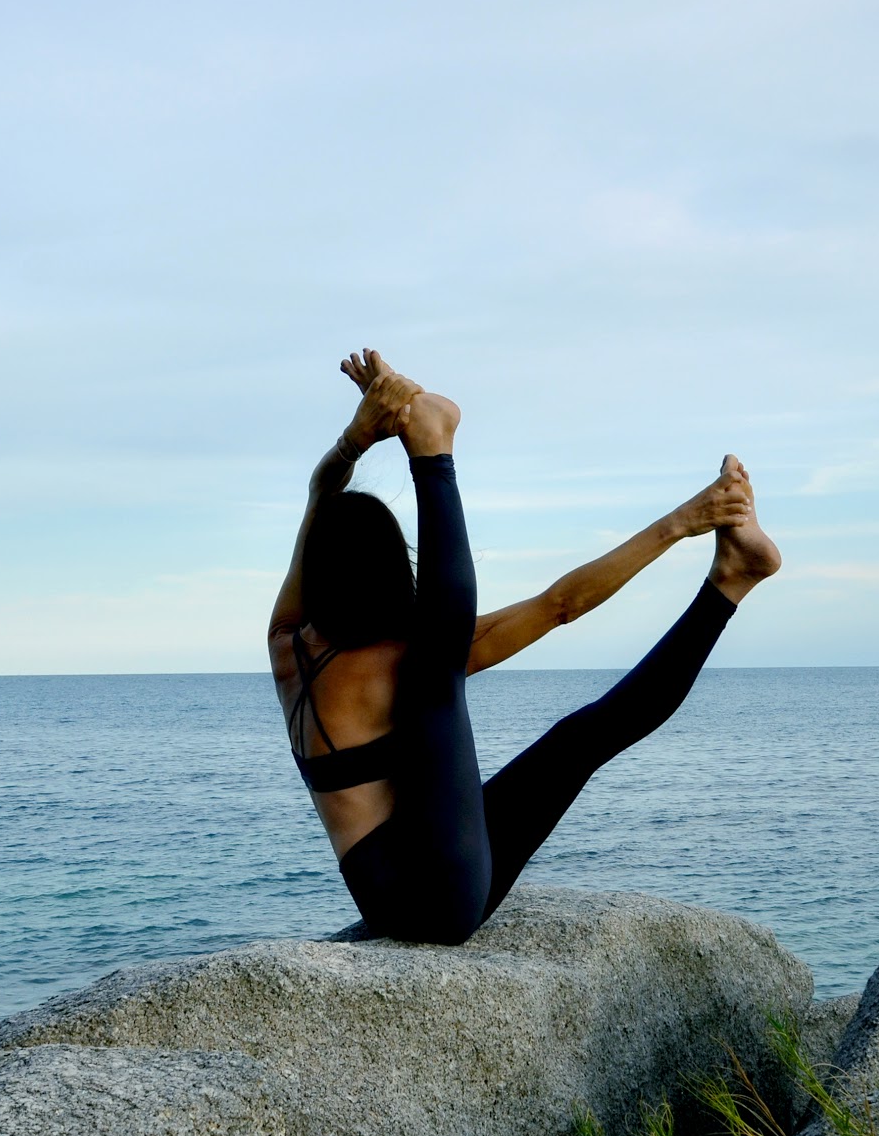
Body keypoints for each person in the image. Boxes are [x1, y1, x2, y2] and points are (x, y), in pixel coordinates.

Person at [267, 349, 781, 944]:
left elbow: (318, 495)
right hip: (438, 903)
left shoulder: (285, 648)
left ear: (316, 570)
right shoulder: (406, 660)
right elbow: (560, 605)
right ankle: (432, 453)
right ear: (389, 568)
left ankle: (735, 574)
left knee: (560, 733)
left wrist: (356, 440)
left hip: (393, 892)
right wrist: (682, 521)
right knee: (504, 696)